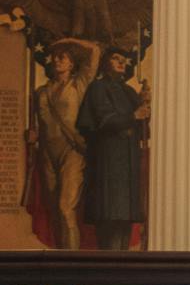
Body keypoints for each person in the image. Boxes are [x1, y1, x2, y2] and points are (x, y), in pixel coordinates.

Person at [75, 46, 146, 250]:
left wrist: (146, 107)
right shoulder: (98, 88)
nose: (122, 62)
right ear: (105, 62)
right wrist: (134, 116)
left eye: (124, 59)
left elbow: (143, 128)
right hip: (108, 158)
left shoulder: (129, 91)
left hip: (128, 158)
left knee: (125, 215)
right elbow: (103, 120)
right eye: (116, 58)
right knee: (110, 213)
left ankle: (122, 264)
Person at [29, 45, 87, 249]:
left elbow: (95, 52)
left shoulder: (78, 84)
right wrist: (33, 134)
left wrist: (69, 41)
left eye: (62, 58)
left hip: (71, 152)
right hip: (47, 153)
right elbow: (38, 120)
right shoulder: (41, 91)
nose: (57, 61)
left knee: (65, 208)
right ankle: (61, 258)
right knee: (54, 209)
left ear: (72, 63)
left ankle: (73, 264)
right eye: (54, 57)